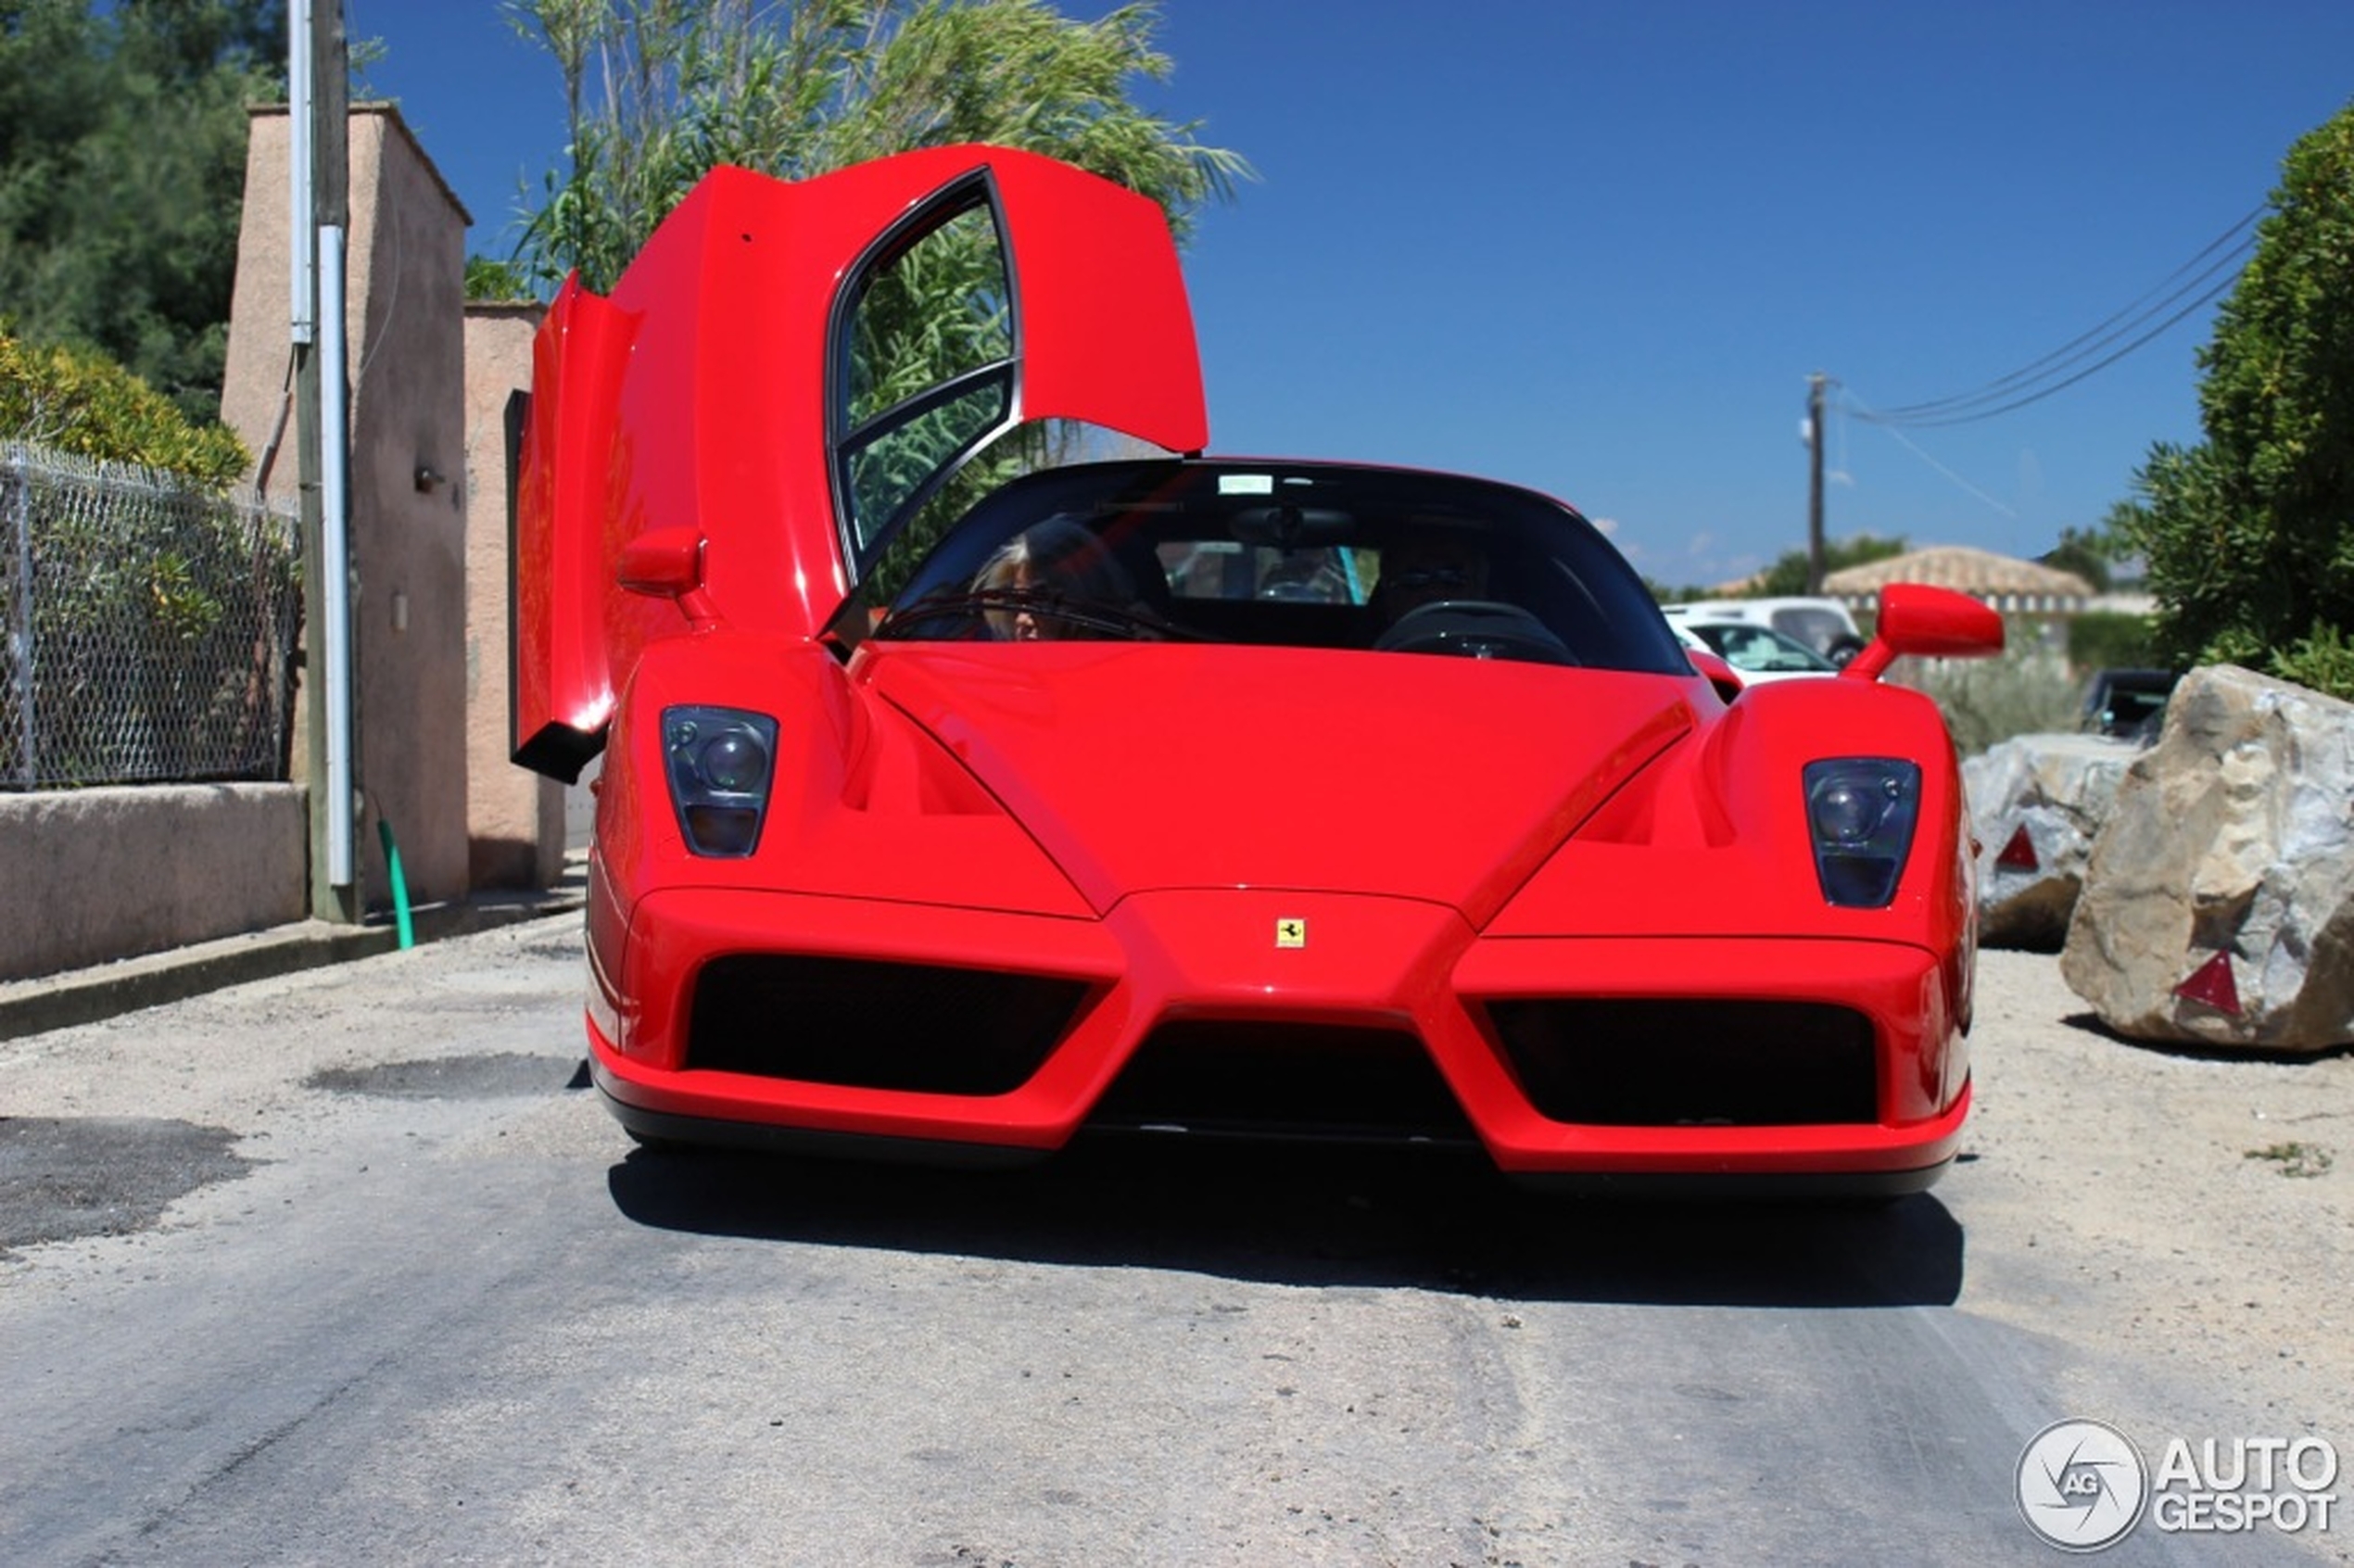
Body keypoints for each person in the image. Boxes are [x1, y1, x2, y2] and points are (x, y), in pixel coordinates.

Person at [972, 516, 1146, 640]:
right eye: (1017, 602)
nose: (1021, 620)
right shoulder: (1003, 678)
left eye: (1041, 599)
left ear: (1085, 594)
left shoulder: (1139, 655)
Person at [1371, 525, 1491, 626]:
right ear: (1389, 597)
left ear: (1478, 591)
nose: (1434, 591)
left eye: (1452, 579)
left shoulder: (1505, 652)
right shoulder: (1360, 651)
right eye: (1415, 580)